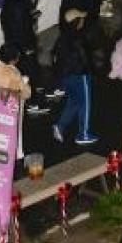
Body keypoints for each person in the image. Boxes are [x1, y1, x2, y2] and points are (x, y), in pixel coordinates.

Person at [52, 10, 97, 145]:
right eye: (81, 19)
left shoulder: (62, 37)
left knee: (74, 102)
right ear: (76, 21)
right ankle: (83, 134)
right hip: (79, 75)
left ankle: (60, 126)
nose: (83, 21)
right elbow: (84, 58)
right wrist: (89, 72)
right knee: (85, 104)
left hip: (66, 77)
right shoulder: (78, 38)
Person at [0, 0, 42, 104]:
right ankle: (31, 101)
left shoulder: (13, 0)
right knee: (26, 72)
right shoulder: (17, 4)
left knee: (24, 72)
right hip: (20, 45)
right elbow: (20, 27)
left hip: (15, 43)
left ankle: (30, 94)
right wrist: (27, 46)